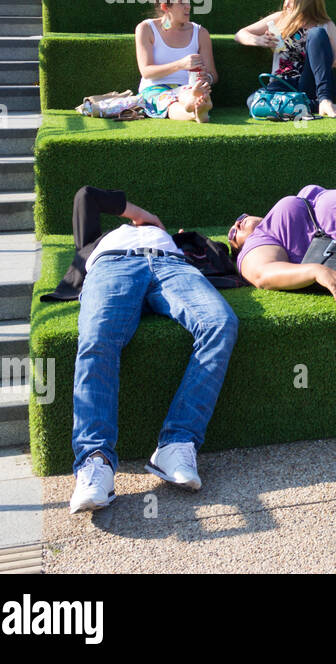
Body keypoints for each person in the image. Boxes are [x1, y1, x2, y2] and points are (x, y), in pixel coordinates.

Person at [56, 186, 239, 512]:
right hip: (113, 266)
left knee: (220, 323)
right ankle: (95, 461)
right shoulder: (100, 240)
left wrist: (165, 234)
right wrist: (145, 217)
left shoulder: (174, 242)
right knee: (97, 339)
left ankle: (178, 442)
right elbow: (86, 195)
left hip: (174, 267)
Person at [235, 0, 336, 119]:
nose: (285, 4)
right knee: (252, 101)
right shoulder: (280, 18)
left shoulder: (326, 25)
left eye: (290, 0)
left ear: (304, 1)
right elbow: (240, 34)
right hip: (281, 83)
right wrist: (259, 40)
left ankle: (324, 100)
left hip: (308, 84)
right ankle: (313, 105)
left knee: (317, 33)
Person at [136, 0, 217, 122]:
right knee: (169, 103)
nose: (188, 6)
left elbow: (213, 74)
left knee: (189, 93)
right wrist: (181, 64)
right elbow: (146, 72)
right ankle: (195, 113)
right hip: (154, 88)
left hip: (186, 87)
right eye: (181, 3)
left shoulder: (200, 33)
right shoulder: (146, 28)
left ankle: (197, 102)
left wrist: (207, 78)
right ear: (165, 7)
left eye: (188, 2)